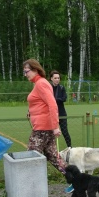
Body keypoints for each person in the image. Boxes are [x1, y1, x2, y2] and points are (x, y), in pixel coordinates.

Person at [23, 59, 69, 189]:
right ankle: (78, 180)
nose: (25, 74)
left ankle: (31, 187)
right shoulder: (39, 83)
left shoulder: (41, 84)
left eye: (26, 71)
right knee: (54, 158)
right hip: (44, 127)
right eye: (24, 72)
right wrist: (31, 111)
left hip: (42, 129)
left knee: (31, 156)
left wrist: (55, 127)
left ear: (35, 70)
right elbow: (40, 102)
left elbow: (52, 105)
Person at [50, 70, 72, 148]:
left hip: (62, 114)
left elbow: (64, 98)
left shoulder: (62, 88)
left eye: (58, 78)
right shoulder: (48, 88)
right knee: (50, 134)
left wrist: (54, 99)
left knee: (65, 132)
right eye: (55, 78)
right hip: (52, 114)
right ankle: (51, 150)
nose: (57, 80)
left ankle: (70, 148)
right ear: (51, 78)